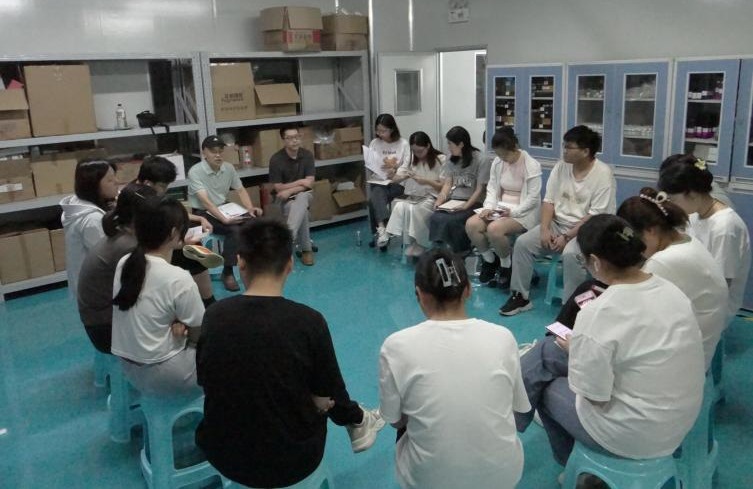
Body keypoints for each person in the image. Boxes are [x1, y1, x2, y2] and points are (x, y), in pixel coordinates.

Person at [195, 219, 384, 488]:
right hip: (293, 461)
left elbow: (205, 378)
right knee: (322, 394)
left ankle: (357, 418)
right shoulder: (308, 321)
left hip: (224, 454)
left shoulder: (214, 315)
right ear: (290, 265)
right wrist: (318, 399)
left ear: (240, 262)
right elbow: (328, 391)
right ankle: (358, 420)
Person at [516, 215, 705, 473]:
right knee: (546, 352)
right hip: (679, 420)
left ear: (595, 261)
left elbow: (594, 393)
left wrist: (579, 354)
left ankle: (566, 463)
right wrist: (580, 351)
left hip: (633, 436)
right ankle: (514, 413)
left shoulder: (599, 311)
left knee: (544, 386)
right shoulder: (672, 290)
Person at [379, 249, 530, 489]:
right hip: (504, 476)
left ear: (419, 294)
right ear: (468, 290)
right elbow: (516, 407)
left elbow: (395, 421)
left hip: (429, 481)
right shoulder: (503, 337)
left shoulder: (396, 346)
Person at [501, 125, 616, 316]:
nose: (564, 150)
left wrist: (567, 236)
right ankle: (520, 296)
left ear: (585, 151)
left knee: (571, 254)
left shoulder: (603, 174)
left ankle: (571, 309)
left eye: (569, 147)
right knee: (522, 243)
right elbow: (549, 201)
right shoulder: (561, 166)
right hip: (558, 224)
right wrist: (545, 229)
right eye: (564, 145)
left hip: (589, 230)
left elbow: (594, 216)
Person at [617, 188, 728, 369]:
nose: (637, 249)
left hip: (682, 359)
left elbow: (634, 315)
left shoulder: (662, 262)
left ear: (651, 230)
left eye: (636, 240)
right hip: (701, 338)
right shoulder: (686, 239)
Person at [111, 196, 205, 395]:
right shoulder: (178, 278)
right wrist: (184, 330)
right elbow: (199, 334)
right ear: (173, 233)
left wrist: (177, 324)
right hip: (168, 374)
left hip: (130, 370)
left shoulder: (125, 263)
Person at [658, 155, 751, 323]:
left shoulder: (725, 227)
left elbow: (721, 286)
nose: (671, 205)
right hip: (696, 288)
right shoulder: (695, 214)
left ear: (692, 193)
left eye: (673, 199)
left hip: (714, 306)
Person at [77, 183, 156, 353]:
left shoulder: (120, 233)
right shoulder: (129, 246)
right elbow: (147, 290)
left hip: (98, 322)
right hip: (107, 329)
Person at [137, 155, 218, 308]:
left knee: (191, 240)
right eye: (163, 186)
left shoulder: (147, 191)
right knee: (190, 252)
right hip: (149, 247)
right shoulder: (138, 200)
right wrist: (181, 243)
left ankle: (207, 298)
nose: (165, 189)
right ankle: (207, 301)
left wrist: (199, 218)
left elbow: (171, 211)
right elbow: (152, 238)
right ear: (148, 183)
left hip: (163, 237)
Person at [466, 127, 542, 288]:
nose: (502, 158)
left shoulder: (531, 165)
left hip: (523, 212)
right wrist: (488, 207)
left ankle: (506, 265)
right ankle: (490, 260)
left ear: (515, 147)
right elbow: (492, 187)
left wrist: (513, 212)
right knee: (472, 224)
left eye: (505, 155)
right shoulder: (498, 162)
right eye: (499, 155)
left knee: (494, 229)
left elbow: (533, 198)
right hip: (500, 208)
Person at [187, 135, 263, 291]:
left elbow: (240, 190)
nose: (218, 155)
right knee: (234, 230)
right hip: (203, 212)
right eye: (213, 151)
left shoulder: (228, 168)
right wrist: (224, 219)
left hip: (224, 207)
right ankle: (228, 272)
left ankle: (251, 265)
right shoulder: (195, 171)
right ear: (204, 152)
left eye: (220, 151)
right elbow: (206, 201)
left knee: (256, 223)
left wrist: (250, 209)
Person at [61, 158, 119, 302]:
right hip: (98, 292)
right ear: (93, 185)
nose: (117, 182)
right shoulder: (92, 220)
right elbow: (110, 257)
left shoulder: (79, 204)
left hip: (86, 287)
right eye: (110, 180)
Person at [429, 126, 493, 254]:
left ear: (461, 144)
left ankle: (460, 252)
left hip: (474, 202)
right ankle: (441, 251)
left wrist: (466, 206)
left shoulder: (482, 160)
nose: (448, 147)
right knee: (435, 217)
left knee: (453, 220)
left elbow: (479, 190)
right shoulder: (450, 159)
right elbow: (447, 184)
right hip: (454, 201)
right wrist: (440, 200)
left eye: (450, 144)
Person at [384, 131, 446, 257]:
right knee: (400, 205)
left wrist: (426, 181)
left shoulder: (441, 159)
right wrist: (392, 174)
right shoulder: (412, 160)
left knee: (416, 209)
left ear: (428, 146)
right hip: (415, 196)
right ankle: (407, 240)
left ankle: (422, 243)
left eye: (420, 151)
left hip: (433, 197)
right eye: (414, 151)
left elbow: (443, 186)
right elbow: (397, 178)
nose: (418, 154)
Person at [269, 126, 316, 266]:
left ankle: (288, 239)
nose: (294, 141)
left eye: (297, 137)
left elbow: (310, 183)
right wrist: (300, 182)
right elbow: (278, 187)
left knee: (302, 197)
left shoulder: (307, 155)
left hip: (304, 195)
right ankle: (306, 249)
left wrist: (290, 190)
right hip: (283, 199)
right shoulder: (276, 159)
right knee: (301, 212)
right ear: (283, 140)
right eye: (290, 138)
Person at [367, 114, 411, 250]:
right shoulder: (374, 143)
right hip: (379, 180)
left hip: (396, 183)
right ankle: (384, 229)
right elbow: (370, 163)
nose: (380, 134)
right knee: (377, 192)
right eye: (378, 131)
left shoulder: (403, 144)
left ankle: (381, 230)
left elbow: (406, 165)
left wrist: (395, 171)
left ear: (392, 129)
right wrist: (376, 168)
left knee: (373, 199)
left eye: (383, 131)